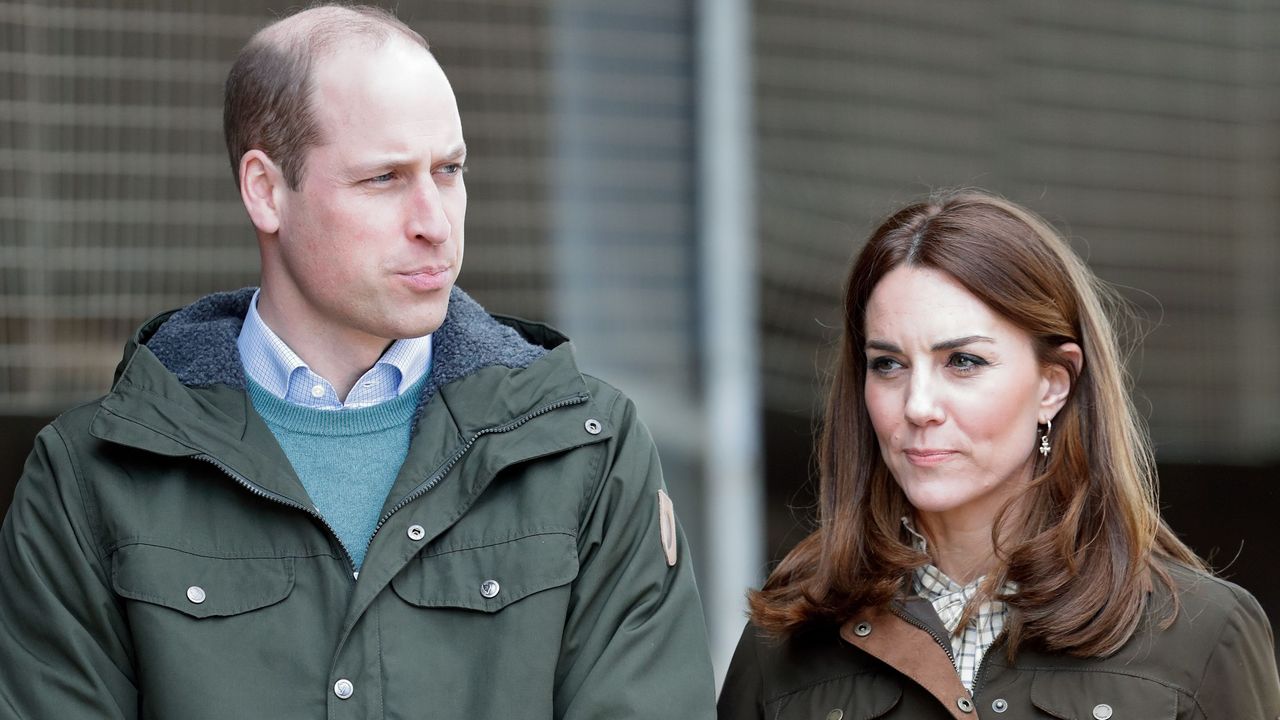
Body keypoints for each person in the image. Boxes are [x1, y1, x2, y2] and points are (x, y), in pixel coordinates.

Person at [0, 5, 716, 718]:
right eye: (384, 179)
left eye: (450, 170)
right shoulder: (89, 479)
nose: (434, 222)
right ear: (266, 190)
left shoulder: (585, 452)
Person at [718, 191, 1280, 718]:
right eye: (887, 364)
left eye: (962, 361)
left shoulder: (1203, 635)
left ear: (1053, 385)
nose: (917, 405)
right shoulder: (788, 637)